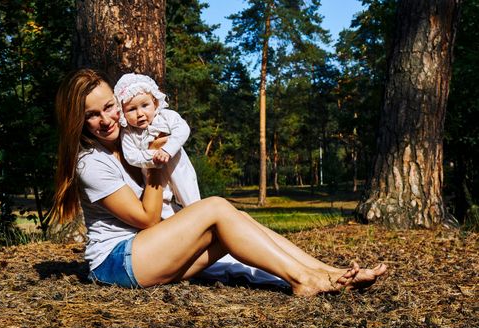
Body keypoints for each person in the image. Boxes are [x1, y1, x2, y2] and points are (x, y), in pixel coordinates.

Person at [50, 68, 387, 297]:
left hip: (146, 251)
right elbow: (147, 219)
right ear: (77, 121)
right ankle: (303, 279)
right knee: (215, 207)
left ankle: (330, 273)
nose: (105, 119)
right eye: (91, 115)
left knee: (234, 223)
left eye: (109, 107)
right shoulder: (90, 163)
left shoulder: (128, 139)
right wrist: (155, 163)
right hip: (116, 262)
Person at [113, 73, 199, 219]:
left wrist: (167, 149)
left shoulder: (166, 116)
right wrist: (153, 156)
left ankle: (199, 217)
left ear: (155, 103)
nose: (140, 113)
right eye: (131, 109)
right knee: (161, 203)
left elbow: (183, 130)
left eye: (145, 105)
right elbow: (131, 155)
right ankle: (175, 222)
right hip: (152, 174)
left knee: (188, 193)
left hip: (177, 166)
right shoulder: (128, 132)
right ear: (122, 113)